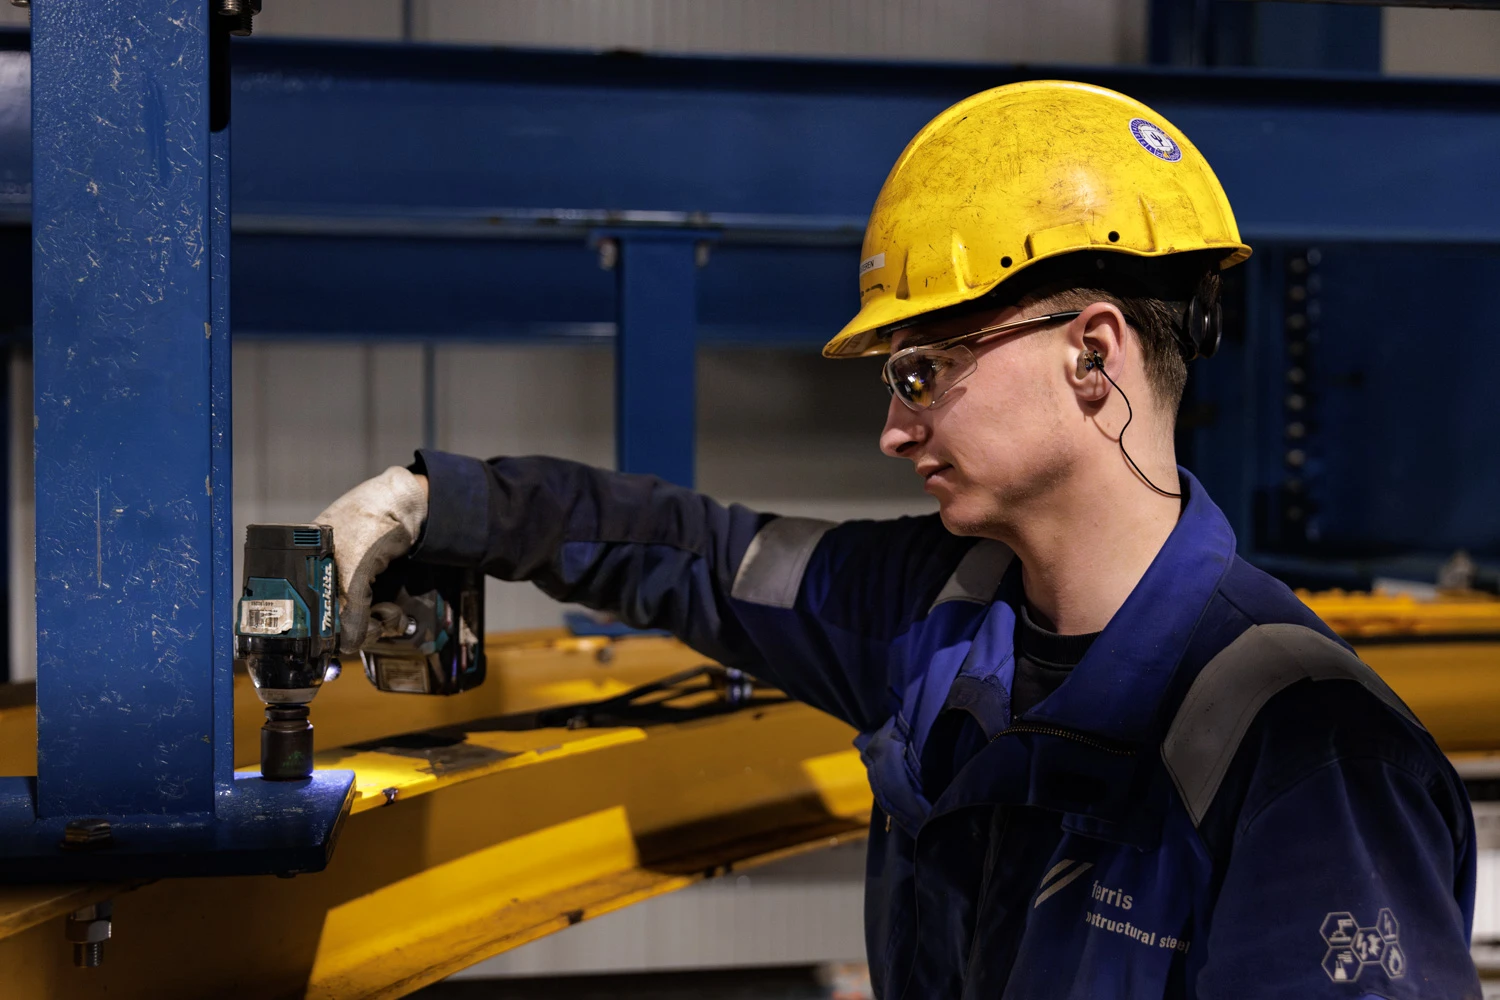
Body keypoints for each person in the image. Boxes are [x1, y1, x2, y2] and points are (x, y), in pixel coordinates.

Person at [314, 82, 1479, 997]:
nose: (892, 428)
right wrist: (436, 503)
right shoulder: (937, 614)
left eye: (923, 371)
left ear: (1092, 354)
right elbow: (691, 553)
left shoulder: (1311, 755)